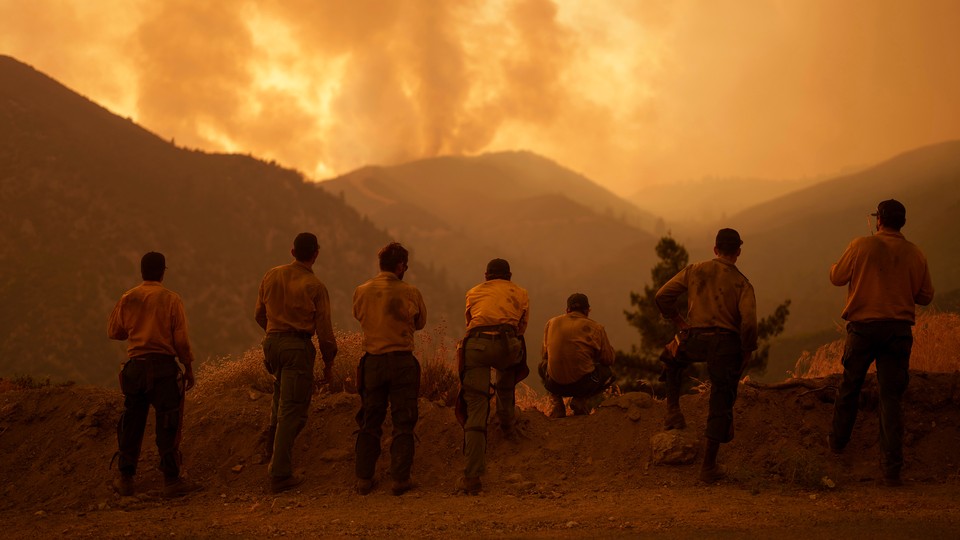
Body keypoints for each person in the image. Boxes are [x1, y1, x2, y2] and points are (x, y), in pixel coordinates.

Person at [827, 199, 934, 487]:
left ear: (879, 221)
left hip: (863, 329)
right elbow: (925, 296)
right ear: (902, 222)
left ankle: (836, 446)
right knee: (891, 397)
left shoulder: (860, 245)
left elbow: (837, 278)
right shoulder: (915, 253)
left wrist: (837, 266)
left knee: (850, 385)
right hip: (898, 330)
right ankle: (891, 470)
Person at [655, 228, 758, 483]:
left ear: (715, 250)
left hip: (696, 337)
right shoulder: (742, 283)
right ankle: (708, 467)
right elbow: (749, 324)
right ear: (738, 252)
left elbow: (662, 296)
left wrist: (679, 321)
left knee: (670, 355)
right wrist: (746, 352)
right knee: (720, 398)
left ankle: (673, 411)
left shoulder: (694, 270)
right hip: (725, 344)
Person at [108, 251, 201, 498]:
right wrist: (188, 367)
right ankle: (171, 480)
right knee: (168, 423)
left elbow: (115, 332)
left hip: (136, 367)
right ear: (162, 271)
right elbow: (181, 340)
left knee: (132, 423)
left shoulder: (129, 297)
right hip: (163, 368)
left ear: (142, 272)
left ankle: (126, 479)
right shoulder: (171, 299)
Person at [255, 232, 338, 493]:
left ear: (292, 251)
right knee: (294, 411)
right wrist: (328, 362)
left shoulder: (271, 275)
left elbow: (259, 314)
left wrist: (274, 334)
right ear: (316, 254)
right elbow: (325, 333)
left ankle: (270, 449)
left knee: (280, 396)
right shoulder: (315, 286)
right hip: (297, 347)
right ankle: (280, 473)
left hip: (272, 343)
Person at [352, 242, 427, 496]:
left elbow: (358, 316)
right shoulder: (410, 292)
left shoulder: (361, 291)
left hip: (372, 361)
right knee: (403, 421)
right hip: (402, 362)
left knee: (369, 420)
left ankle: (364, 478)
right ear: (400, 266)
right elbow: (420, 323)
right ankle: (400, 479)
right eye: (405, 265)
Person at [455, 258, 530, 495]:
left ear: (486, 276)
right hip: (507, 343)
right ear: (509, 276)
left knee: (476, 408)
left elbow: (469, 322)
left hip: (476, 346)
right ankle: (507, 422)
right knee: (505, 380)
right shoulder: (520, 292)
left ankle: (472, 476)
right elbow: (521, 328)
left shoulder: (473, 292)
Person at [539, 293, 615, 418]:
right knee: (608, 373)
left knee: (542, 366)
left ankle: (557, 404)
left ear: (567, 310)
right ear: (587, 311)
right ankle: (580, 400)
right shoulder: (596, 328)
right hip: (582, 385)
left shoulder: (551, 323)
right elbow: (608, 360)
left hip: (555, 384)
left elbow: (545, 355)